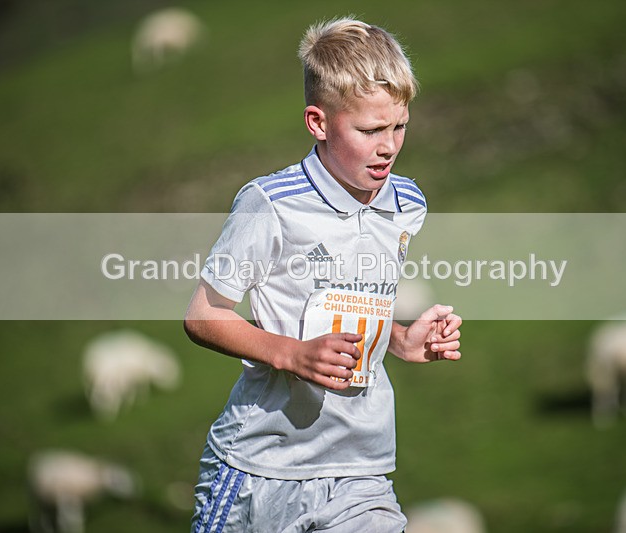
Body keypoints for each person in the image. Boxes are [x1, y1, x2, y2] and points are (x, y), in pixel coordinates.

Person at [184, 17, 462, 533]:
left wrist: (399, 340)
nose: (389, 146)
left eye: (399, 126)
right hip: (260, 470)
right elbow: (203, 315)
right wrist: (292, 355)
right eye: (370, 131)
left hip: (362, 471)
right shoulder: (269, 204)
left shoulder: (408, 204)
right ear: (318, 122)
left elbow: (351, 302)